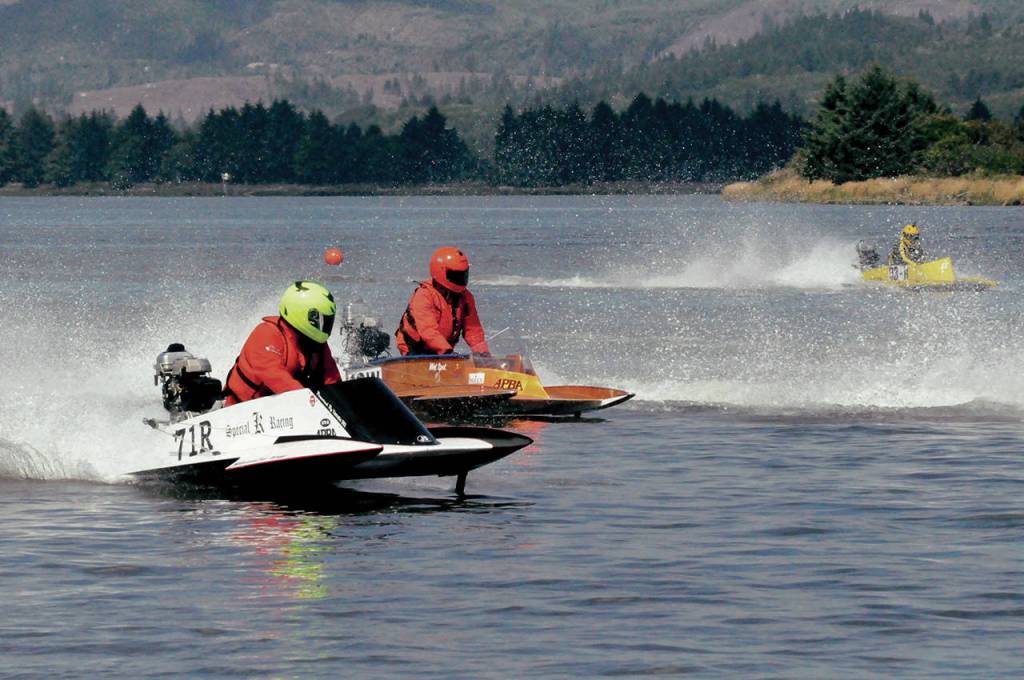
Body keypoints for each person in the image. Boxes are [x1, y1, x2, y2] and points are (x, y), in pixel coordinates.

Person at [223, 280, 342, 405]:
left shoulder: (317, 345)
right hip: (242, 414)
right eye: (320, 319)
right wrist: (312, 404)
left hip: (290, 413)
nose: (325, 325)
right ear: (301, 314)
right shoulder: (266, 333)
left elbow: (333, 382)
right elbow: (275, 377)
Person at [396, 246, 490, 356]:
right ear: (440, 272)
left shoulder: (466, 298)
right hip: (414, 350)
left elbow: (473, 330)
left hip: (444, 351)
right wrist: (447, 352)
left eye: (463, 275)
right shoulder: (424, 295)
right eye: (455, 276)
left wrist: (483, 354)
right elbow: (428, 330)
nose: (460, 279)